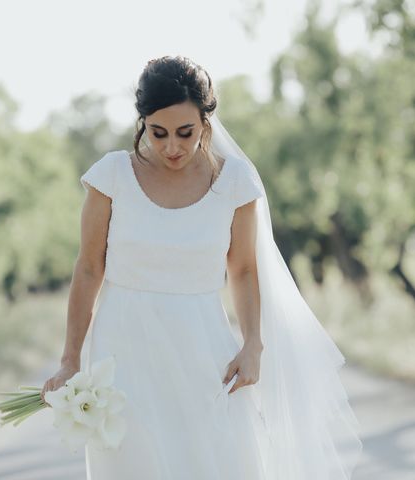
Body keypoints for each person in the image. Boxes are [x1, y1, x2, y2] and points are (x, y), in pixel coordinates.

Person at [41, 55, 363, 479]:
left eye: (185, 133)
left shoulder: (234, 182)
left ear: (205, 123)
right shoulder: (112, 177)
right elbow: (87, 270)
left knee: (213, 462)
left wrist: (252, 344)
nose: (172, 146)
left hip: (203, 349)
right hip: (123, 351)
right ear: (142, 123)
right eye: (158, 133)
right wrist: (69, 360)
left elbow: (244, 270)